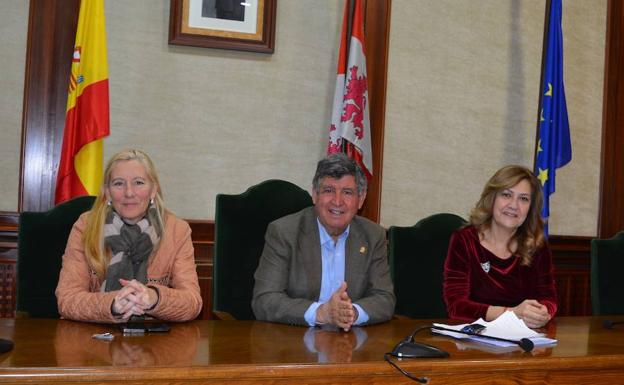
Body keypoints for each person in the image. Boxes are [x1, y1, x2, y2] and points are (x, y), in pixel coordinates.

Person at [56, 149, 202, 323]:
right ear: (107, 192)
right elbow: (67, 299)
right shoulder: (85, 226)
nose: (129, 193)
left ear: (153, 190)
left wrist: (152, 297)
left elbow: (192, 302)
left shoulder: (177, 230)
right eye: (118, 184)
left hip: (155, 343)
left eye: (139, 182)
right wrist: (114, 303)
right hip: (94, 340)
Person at [252, 153, 395, 331]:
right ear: (314, 195)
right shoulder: (284, 233)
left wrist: (350, 313)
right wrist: (321, 313)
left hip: (350, 346)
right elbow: (265, 299)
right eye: (328, 190)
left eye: (347, 192)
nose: (337, 201)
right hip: (293, 343)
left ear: (361, 199)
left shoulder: (373, 236)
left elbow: (384, 298)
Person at [443, 165, 558, 328]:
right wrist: (512, 314)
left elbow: (549, 299)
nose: (514, 205)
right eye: (506, 195)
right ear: (492, 198)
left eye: (523, 199)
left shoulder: (537, 245)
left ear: (530, 208)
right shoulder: (464, 240)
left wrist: (541, 313)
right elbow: (456, 306)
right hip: (473, 340)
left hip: (523, 339)